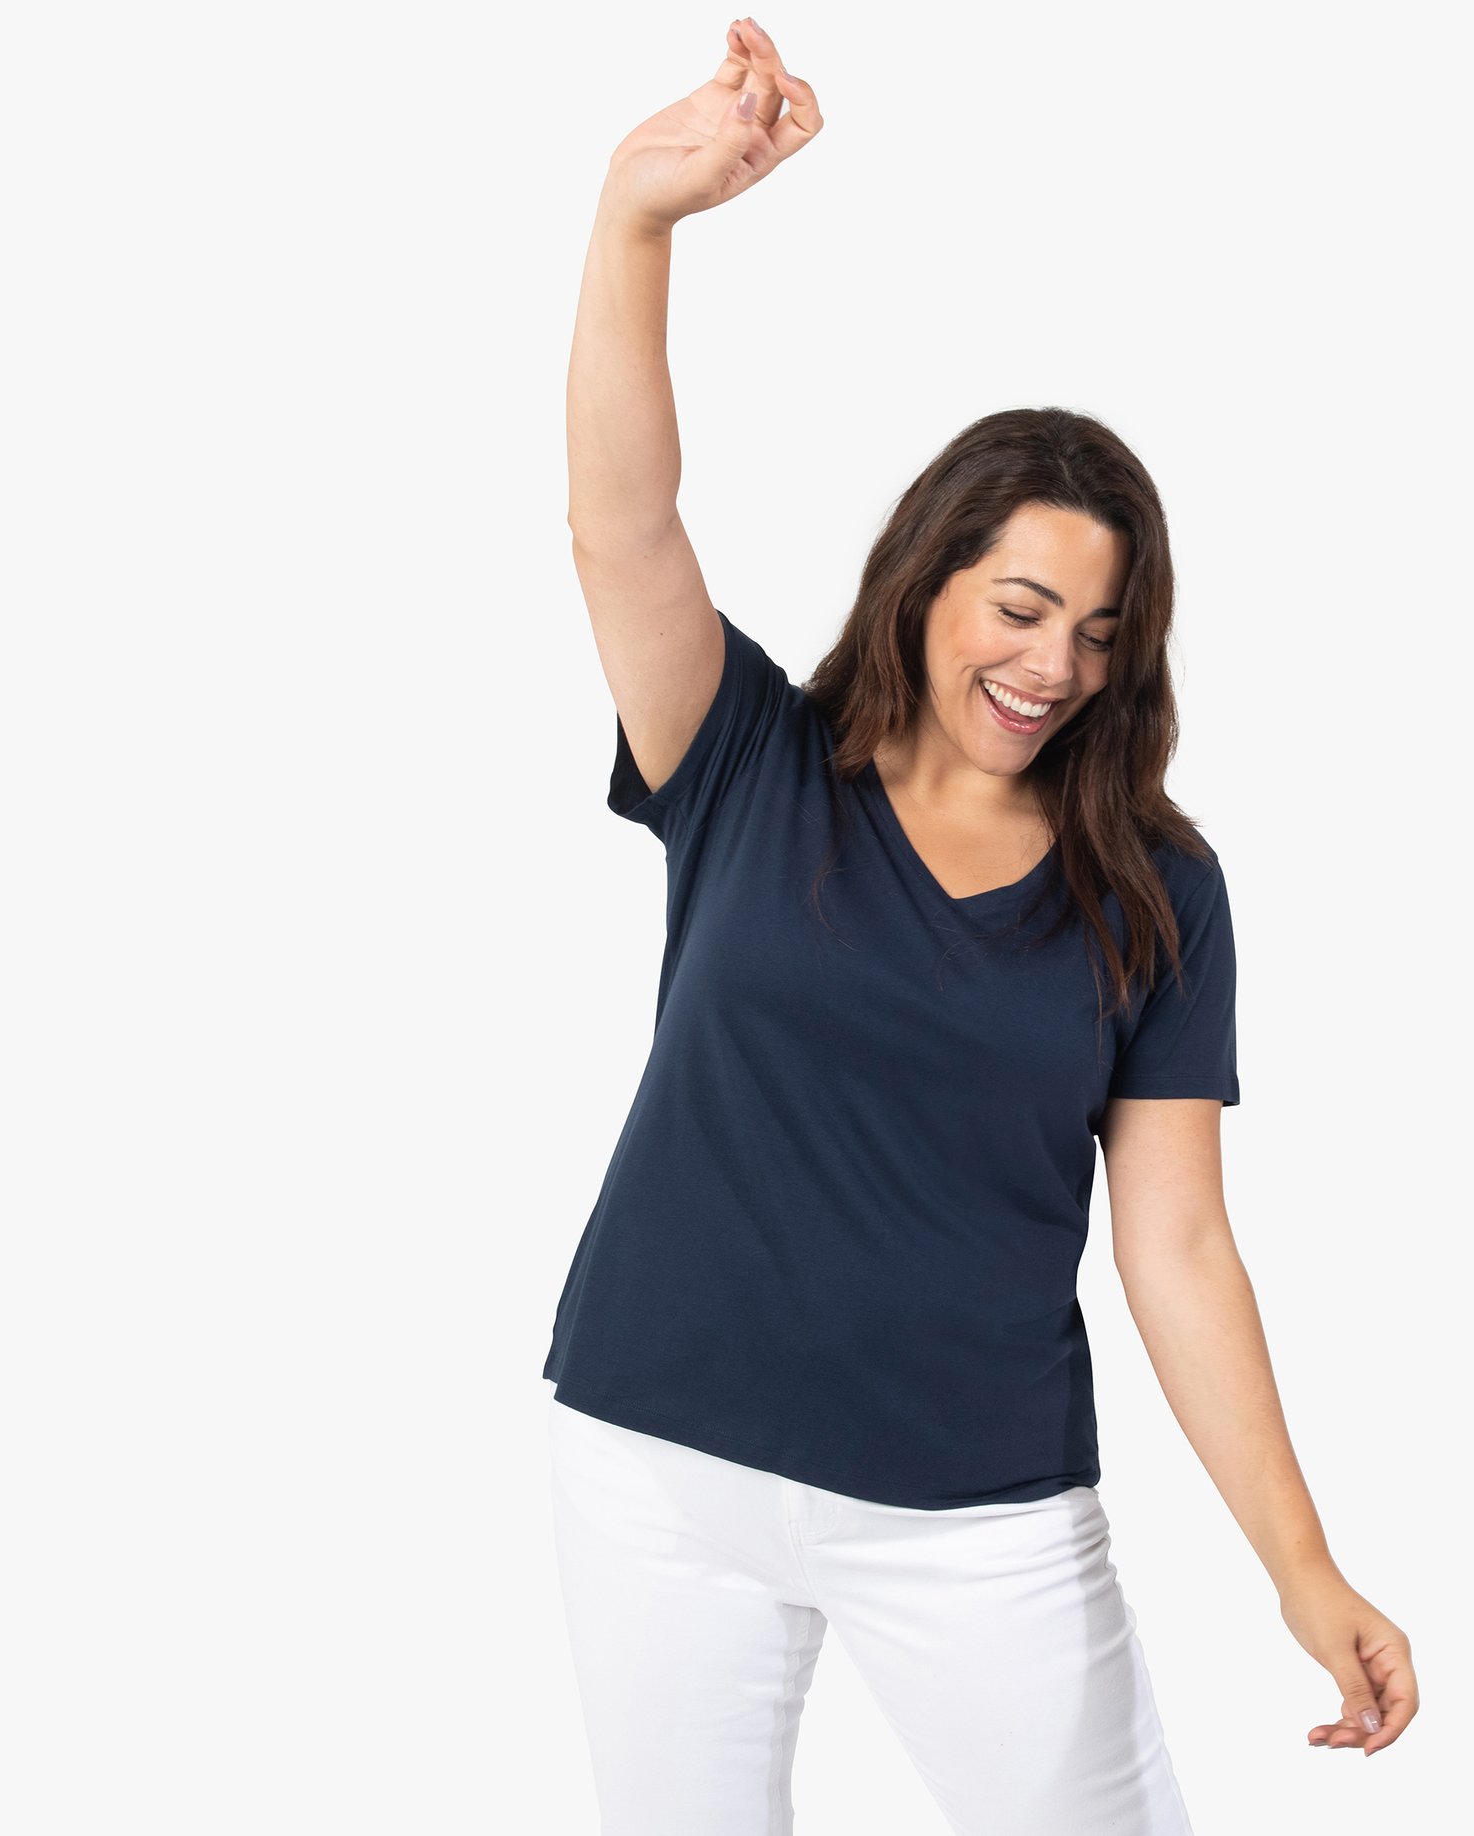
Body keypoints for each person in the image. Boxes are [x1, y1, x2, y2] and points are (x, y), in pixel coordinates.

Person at [541, 18, 1419, 1834]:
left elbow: (1178, 1249)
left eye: (1097, 635)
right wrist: (636, 215)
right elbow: (622, 528)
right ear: (927, 577)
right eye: (1019, 609)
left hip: (974, 1518)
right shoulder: (748, 758)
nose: (1051, 667)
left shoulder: (1156, 893)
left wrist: (1300, 1564)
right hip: (655, 1460)